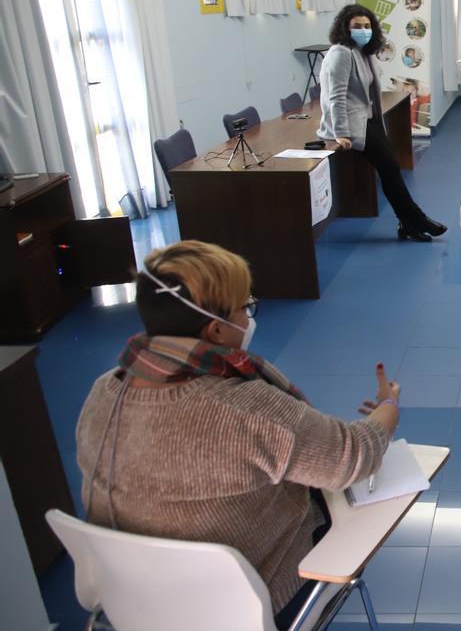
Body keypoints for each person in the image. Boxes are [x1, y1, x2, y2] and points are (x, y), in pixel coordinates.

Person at [76, 241, 401, 630]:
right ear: (216, 328)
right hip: (245, 606)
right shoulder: (243, 407)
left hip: (129, 602)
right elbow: (352, 456)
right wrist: (389, 408)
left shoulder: (103, 392)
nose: (249, 318)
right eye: (246, 308)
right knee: (367, 493)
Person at [317, 4, 445, 242]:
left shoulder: (363, 51)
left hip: (369, 119)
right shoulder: (341, 53)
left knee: (391, 168)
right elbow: (335, 96)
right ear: (345, 28)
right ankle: (414, 220)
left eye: (367, 26)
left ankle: (410, 222)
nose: (363, 30)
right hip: (353, 124)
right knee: (390, 168)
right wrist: (341, 133)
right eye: (357, 26)